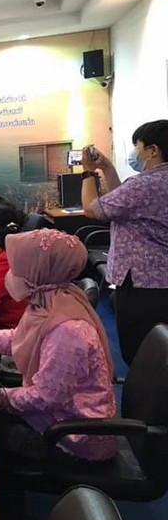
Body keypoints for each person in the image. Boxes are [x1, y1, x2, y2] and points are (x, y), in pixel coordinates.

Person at [0, 229, 116, 520]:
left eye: (18, 269)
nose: (11, 275)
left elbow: (44, 397)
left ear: (38, 274)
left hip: (75, 437)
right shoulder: (51, 301)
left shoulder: (67, 330)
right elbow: (18, 338)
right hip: (59, 417)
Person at [81, 120, 168, 365]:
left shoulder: (144, 184)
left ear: (153, 150)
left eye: (137, 147)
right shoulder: (153, 183)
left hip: (142, 282)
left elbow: (92, 209)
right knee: (160, 349)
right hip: (161, 279)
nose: (134, 153)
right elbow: (120, 203)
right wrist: (107, 168)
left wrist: (88, 172)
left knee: (140, 353)